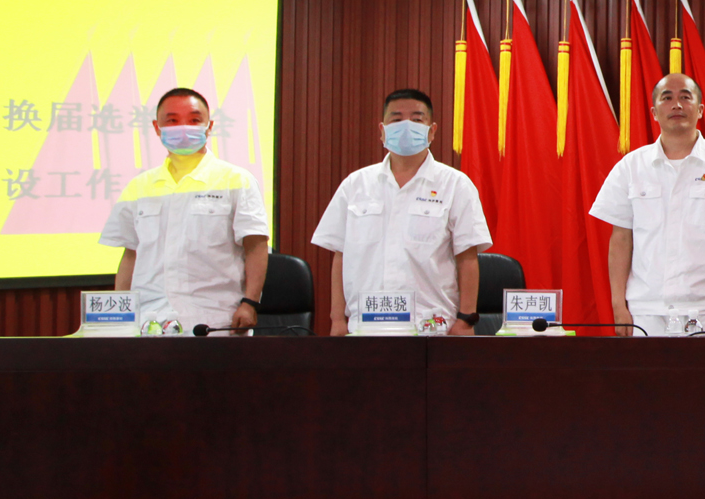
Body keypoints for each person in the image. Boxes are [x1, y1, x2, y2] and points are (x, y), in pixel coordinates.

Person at [589, 72, 705, 337]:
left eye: (685, 97)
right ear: (654, 112)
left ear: (700, 110)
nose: (677, 105)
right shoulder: (631, 166)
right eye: (667, 98)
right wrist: (618, 305)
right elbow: (620, 239)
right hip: (645, 310)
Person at [312, 88, 490, 336]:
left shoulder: (455, 185)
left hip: (432, 328)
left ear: (432, 131)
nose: (406, 127)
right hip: (365, 328)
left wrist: (465, 320)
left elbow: (467, 258)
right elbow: (340, 255)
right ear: (382, 130)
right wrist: (337, 320)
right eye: (396, 119)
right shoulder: (355, 184)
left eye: (417, 119)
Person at [99, 87, 270, 336]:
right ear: (157, 128)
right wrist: (120, 316)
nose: (183, 128)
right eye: (172, 120)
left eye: (194, 120)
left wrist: (250, 302)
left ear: (209, 126)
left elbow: (256, 246)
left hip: (216, 318)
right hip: (149, 320)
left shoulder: (236, 180)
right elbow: (131, 255)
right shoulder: (139, 186)